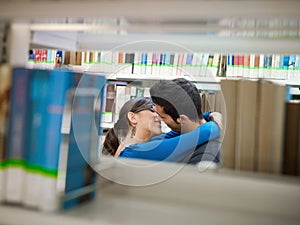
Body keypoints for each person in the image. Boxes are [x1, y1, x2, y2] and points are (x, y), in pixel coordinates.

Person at [102, 78, 221, 164]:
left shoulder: (158, 141)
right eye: (152, 110)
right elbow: (203, 132)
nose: (158, 118)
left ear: (182, 119)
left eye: (162, 116)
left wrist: (210, 116)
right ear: (132, 117)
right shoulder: (133, 152)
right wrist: (213, 120)